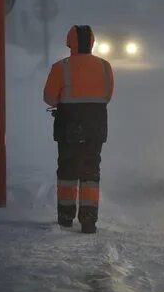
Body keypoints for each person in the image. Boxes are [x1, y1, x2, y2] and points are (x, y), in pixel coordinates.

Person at [43, 25, 114, 233]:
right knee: (91, 170)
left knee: (67, 169)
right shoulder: (105, 66)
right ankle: (89, 219)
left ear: (69, 43)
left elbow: (48, 97)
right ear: (92, 42)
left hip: (68, 127)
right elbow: (108, 96)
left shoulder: (60, 67)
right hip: (96, 127)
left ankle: (66, 217)